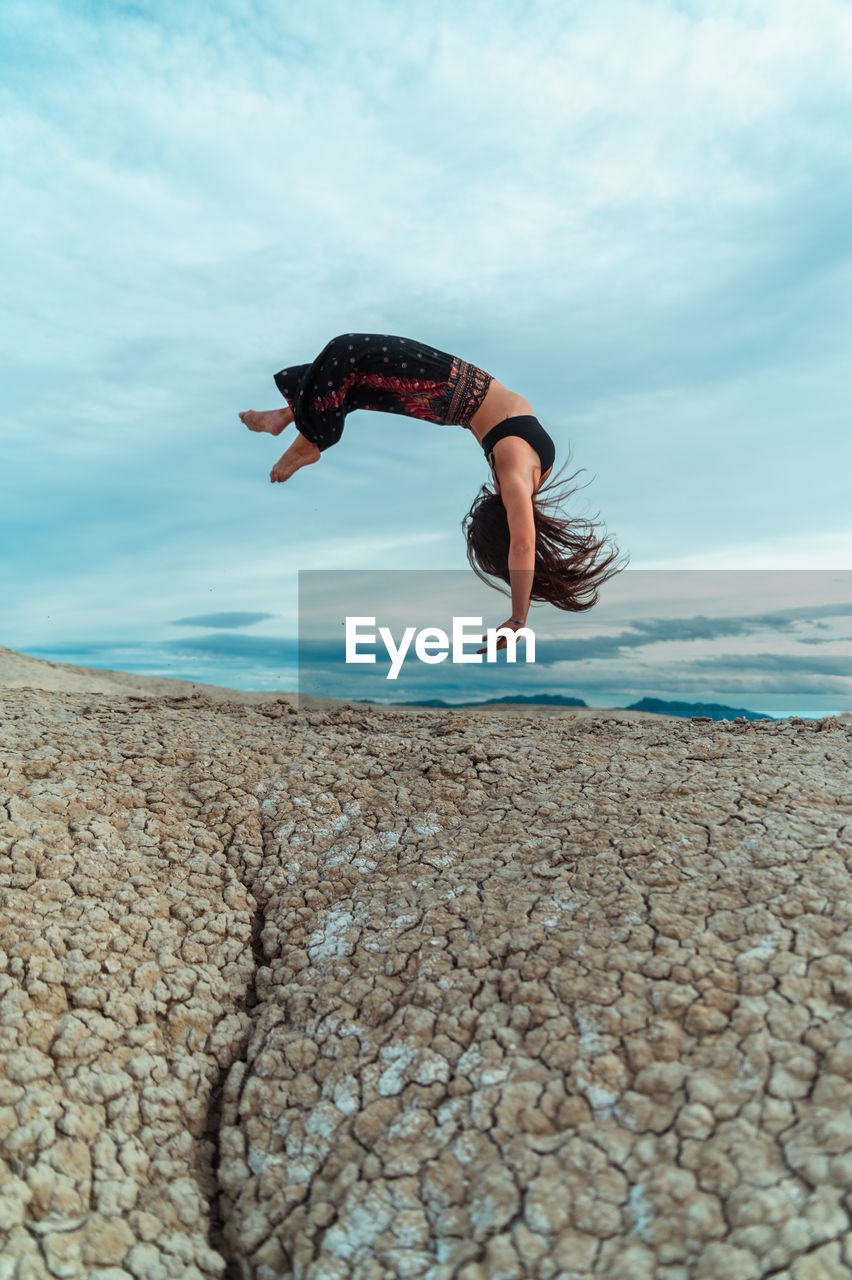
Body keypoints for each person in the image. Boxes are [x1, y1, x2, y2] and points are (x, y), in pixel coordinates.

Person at [240, 333, 625, 638]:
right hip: (453, 402)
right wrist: (518, 617)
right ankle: (286, 416)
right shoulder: (522, 483)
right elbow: (522, 544)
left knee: (347, 351)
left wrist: (518, 618)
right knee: (354, 380)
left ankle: (311, 437)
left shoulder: (516, 473)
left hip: (455, 388)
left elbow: (523, 545)